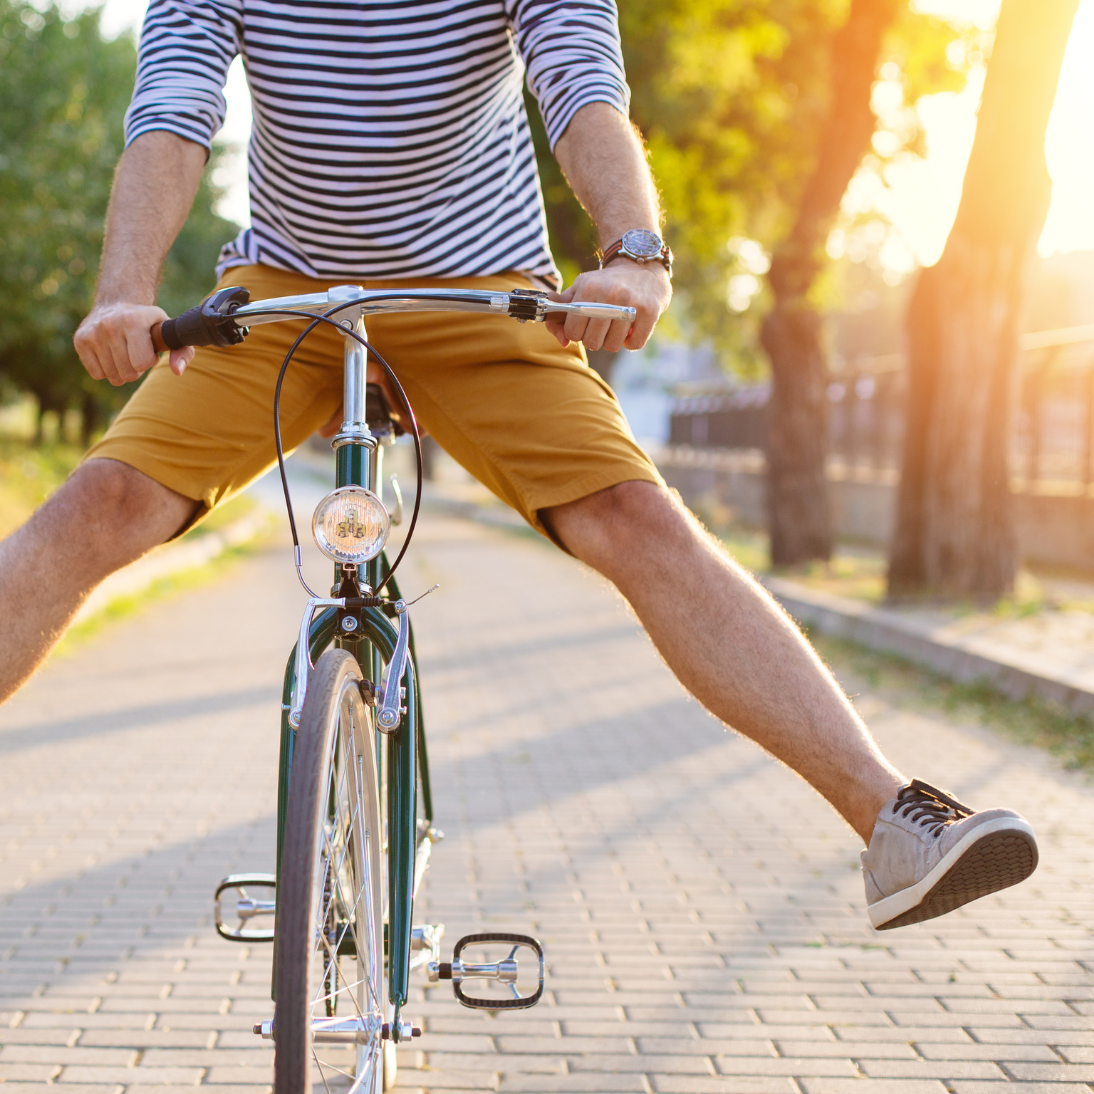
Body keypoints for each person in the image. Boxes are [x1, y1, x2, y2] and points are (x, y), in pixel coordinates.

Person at [0, 0, 1036, 931]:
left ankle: (887, 814)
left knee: (634, 518)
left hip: (479, 286)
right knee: (102, 498)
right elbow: (175, 105)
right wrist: (124, 290)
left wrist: (632, 248)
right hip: (288, 289)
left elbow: (578, 80)